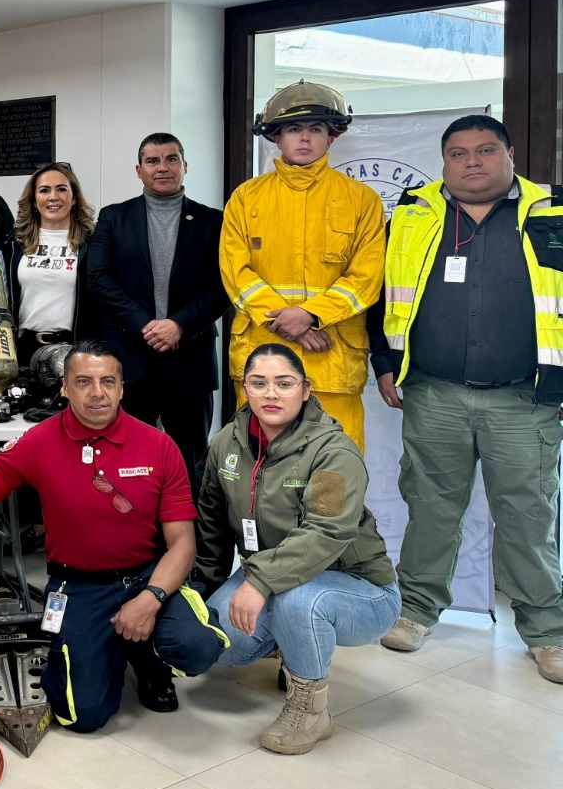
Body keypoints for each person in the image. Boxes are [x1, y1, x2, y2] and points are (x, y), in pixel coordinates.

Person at [0, 341, 226, 732]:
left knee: (196, 646)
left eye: (107, 382)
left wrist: (151, 599)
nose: (96, 393)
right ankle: (110, 647)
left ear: (121, 388)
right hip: (78, 586)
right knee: (83, 716)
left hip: (148, 578)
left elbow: (183, 543)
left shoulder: (159, 446)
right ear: (65, 387)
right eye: (83, 381)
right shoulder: (37, 442)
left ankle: (148, 659)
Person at [367, 115, 563, 683]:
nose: (471, 162)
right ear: (444, 161)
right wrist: (385, 364)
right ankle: (416, 610)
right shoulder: (413, 215)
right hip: (433, 393)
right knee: (430, 507)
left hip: (523, 398)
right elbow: (385, 297)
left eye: (485, 150)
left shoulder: (551, 212)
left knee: (528, 516)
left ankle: (547, 630)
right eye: (458, 153)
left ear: (509, 154)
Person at [197, 344, 399, 753]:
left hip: (360, 588)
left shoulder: (333, 452)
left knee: (297, 601)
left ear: (305, 389)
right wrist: (202, 598)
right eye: (259, 383)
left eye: (284, 383)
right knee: (218, 640)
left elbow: (326, 531)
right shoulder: (225, 444)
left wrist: (259, 583)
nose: (270, 393)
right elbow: (212, 528)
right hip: (274, 576)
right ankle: (291, 645)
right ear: (245, 388)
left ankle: (311, 711)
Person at [221, 81, 384, 448]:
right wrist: (290, 322)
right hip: (262, 362)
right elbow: (236, 273)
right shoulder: (246, 198)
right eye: (294, 129)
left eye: (316, 129)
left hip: (331, 360)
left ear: (333, 137)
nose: (305, 138)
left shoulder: (362, 200)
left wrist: (310, 316)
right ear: (276, 138)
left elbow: (367, 278)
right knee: (260, 470)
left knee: (333, 478)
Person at [82, 135, 228, 484]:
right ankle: (138, 538)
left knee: (189, 463)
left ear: (185, 166)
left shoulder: (214, 221)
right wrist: (145, 325)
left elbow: (224, 286)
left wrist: (179, 325)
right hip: (131, 360)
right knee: (128, 462)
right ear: (139, 170)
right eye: (153, 160)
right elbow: (98, 278)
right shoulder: (114, 217)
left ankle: (189, 539)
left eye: (171, 159)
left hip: (189, 358)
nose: (162, 167)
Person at [6, 161, 94, 357]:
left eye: (61, 189)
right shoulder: (15, 242)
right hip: (24, 350)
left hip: (76, 349)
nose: (53, 197)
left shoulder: (92, 243)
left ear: (74, 198)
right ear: (34, 199)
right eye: (44, 190)